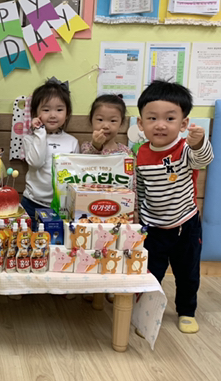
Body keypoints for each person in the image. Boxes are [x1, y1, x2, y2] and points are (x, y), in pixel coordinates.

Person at [136, 80, 214, 334]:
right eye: (152, 118)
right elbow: (140, 188)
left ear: (183, 124)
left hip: (185, 225)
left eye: (169, 118)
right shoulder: (140, 154)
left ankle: (187, 311)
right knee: (150, 273)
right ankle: (145, 314)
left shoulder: (185, 149)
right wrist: (139, 217)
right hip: (153, 227)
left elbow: (203, 159)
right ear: (140, 124)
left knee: (187, 273)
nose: (160, 124)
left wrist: (199, 143)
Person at [81, 94, 134, 303]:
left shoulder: (126, 152)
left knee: (115, 247)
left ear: (121, 124)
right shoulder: (86, 147)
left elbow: (132, 182)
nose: (106, 125)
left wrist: (133, 210)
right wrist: (96, 146)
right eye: (100, 119)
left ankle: (113, 285)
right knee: (91, 245)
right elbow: (82, 169)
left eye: (113, 120)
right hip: (90, 210)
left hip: (118, 211)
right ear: (91, 121)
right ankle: (88, 285)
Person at [21, 78, 79, 227]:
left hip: (62, 206)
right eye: (46, 110)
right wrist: (40, 133)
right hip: (32, 203)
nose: (53, 115)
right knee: (30, 241)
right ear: (35, 113)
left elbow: (75, 177)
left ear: (67, 113)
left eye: (59, 110)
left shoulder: (72, 142)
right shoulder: (30, 139)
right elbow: (36, 162)